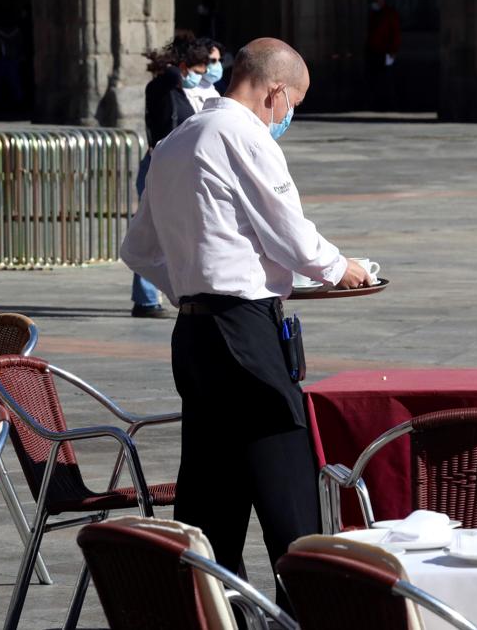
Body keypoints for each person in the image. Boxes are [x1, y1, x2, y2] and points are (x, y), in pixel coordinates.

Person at [120, 37, 373, 603]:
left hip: (195, 333)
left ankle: (212, 610)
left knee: (213, 495)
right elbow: (289, 230)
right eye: (294, 104)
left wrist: (189, 284)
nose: (290, 116)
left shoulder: (175, 141)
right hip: (244, 333)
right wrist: (342, 268)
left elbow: (138, 250)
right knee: (289, 494)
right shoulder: (242, 135)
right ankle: (302, 611)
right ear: (275, 90)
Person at [129, 36, 211, 319]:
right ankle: (146, 299)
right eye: (198, 69)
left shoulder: (186, 90)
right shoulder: (161, 87)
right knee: (153, 230)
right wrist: (180, 66)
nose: (202, 76)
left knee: (174, 230)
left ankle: (168, 291)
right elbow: (173, 76)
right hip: (158, 166)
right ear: (184, 66)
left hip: (178, 168)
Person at [366, 0, 401, 110]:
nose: (376, 2)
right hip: (374, 51)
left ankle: (390, 104)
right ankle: (377, 104)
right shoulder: (374, 14)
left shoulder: (390, 14)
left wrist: (393, 50)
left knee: (387, 79)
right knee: (375, 79)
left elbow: (395, 33)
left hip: (386, 52)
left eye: (378, 0)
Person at [182, 38, 225, 113]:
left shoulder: (214, 92)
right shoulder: (187, 86)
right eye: (213, 60)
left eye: (220, 60)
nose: (217, 65)